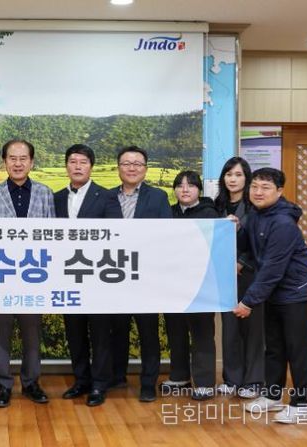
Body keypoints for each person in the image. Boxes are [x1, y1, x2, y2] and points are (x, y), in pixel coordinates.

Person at [234, 168, 307, 424]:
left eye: (265, 187)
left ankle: (302, 403)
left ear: (279, 191)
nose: (258, 192)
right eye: (255, 186)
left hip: (298, 292)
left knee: (296, 348)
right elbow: (245, 246)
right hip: (275, 292)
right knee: (273, 346)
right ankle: (272, 396)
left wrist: (248, 301)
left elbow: (272, 268)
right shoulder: (255, 214)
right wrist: (235, 227)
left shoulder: (283, 223)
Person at [0, 139, 56, 408]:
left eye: (23, 158)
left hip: (34, 276)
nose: (18, 163)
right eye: (12, 158)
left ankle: (31, 382)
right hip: (1, 275)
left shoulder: (45, 193)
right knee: (1, 333)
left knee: (32, 333)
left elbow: (54, 237)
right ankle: (3, 384)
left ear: (31, 162)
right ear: (4, 162)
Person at [54, 144, 119, 407]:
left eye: (83, 162)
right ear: (66, 166)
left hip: (98, 277)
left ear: (91, 166)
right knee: (75, 331)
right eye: (73, 161)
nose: (77, 166)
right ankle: (81, 380)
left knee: (100, 333)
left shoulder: (106, 197)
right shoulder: (56, 198)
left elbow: (116, 235)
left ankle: (99, 384)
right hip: (67, 276)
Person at [109, 145, 172, 402]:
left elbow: (167, 234)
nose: (132, 168)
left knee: (148, 333)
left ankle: (148, 383)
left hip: (146, 277)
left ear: (145, 169)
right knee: (117, 330)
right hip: (113, 275)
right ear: (118, 168)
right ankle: (117, 376)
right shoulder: (106, 197)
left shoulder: (158, 197)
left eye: (137, 164)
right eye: (127, 163)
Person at [162, 171, 218, 401]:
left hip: (201, 283)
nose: (185, 190)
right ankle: (179, 376)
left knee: (202, 332)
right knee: (175, 330)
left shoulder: (210, 213)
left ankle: (204, 383)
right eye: (180, 185)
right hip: (172, 283)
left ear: (199, 190)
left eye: (191, 185)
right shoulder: (167, 213)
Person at [214, 157, 264, 399]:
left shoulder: (255, 206)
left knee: (253, 329)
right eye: (228, 174)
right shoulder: (218, 205)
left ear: (247, 178)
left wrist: (241, 263)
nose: (232, 179)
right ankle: (232, 379)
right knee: (230, 328)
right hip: (224, 275)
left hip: (250, 274)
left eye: (238, 174)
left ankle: (254, 381)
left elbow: (259, 242)